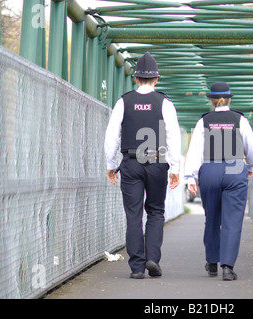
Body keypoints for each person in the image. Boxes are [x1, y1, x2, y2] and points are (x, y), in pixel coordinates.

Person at [104, 52, 181, 279]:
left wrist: (110, 164)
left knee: (134, 214)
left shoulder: (123, 101)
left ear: (136, 79)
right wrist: (175, 168)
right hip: (157, 162)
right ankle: (152, 258)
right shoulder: (165, 103)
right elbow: (173, 136)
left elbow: (112, 136)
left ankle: (137, 267)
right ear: (156, 79)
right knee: (156, 211)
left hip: (131, 162)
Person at [184, 82, 253, 281]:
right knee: (232, 220)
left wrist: (190, 176)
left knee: (212, 217)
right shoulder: (240, 119)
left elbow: (195, 151)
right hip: (235, 168)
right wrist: (250, 167)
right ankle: (227, 266)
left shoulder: (204, 121)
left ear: (211, 100)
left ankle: (211, 261)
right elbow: (252, 150)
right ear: (229, 99)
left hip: (210, 168)